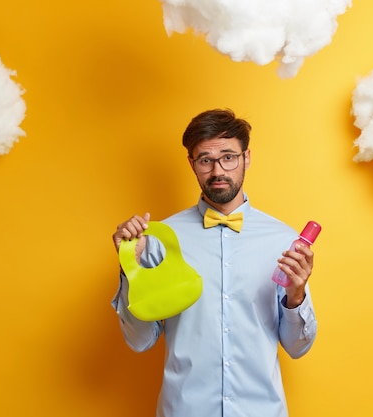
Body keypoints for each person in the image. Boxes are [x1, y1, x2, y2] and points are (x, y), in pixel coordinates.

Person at [111, 108, 317, 417]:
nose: (218, 170)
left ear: (246, 158)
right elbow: (140, 341)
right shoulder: (161, 240)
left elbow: (297, 347)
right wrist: (131, 267)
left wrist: (296, 295)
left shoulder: (283, 240)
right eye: (206, 160)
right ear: (192, 164)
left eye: (229, 157)